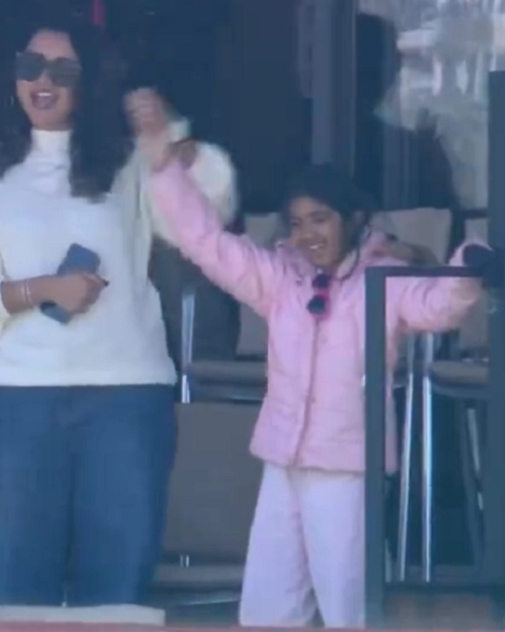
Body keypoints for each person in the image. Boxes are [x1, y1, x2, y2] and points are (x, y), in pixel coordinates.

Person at [0, 10, 238, 605]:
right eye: (30, 66)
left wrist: (172, 144)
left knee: (117, 598)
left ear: (89, 80)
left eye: (62, 68)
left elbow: (208, 215)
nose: (42, 80)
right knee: (18, 595)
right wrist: (41, 289)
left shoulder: (127, 164)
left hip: (124, 399)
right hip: (18, 400)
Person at [148, 153, 484, 627]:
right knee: (268, 609)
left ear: (354, 219)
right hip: (282, 462)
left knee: (346, 609)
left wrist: (470, 265)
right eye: (298, 223)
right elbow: (206, 243)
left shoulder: (383, 278)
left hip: (346, 468)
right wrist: (166, 168)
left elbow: (438, 306)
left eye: (320, 219)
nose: (308, 234)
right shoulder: (281, 279)